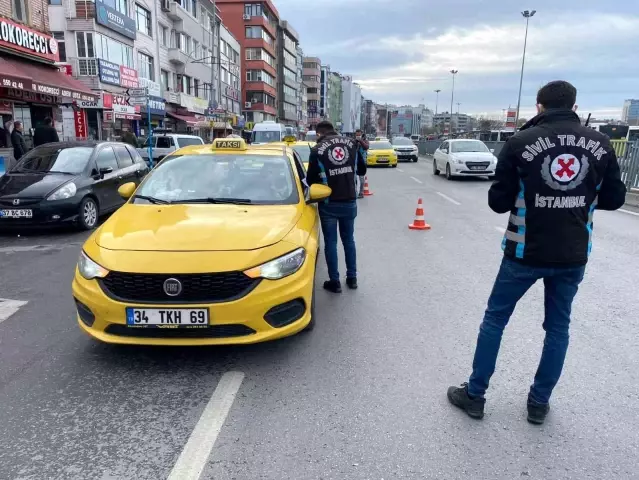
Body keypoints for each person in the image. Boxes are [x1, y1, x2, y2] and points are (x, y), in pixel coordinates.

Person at [447, 80, 627, 425]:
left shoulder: (520, 142)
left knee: (495, 320)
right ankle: (538, 403)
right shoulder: (601, 144)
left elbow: (498, 203)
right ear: (575, 107)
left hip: (522, 252)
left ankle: (475, 395)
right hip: (573, 253)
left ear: (539, 107)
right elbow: (614, 199)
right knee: (558, 328)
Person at [306, 120, 366, 293]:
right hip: (349, 201)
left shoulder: (317, 150)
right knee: (349, 240)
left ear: (319, 133)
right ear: (333, 130)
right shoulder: (352, 145)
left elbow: (310, 180)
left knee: (331, 242)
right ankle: (352, 278)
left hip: (328, 203)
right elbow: (362, 171)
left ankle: (335, 281)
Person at [354, 129, 369, 198]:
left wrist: (360, 141)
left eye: (359, 135)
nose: (358, 136)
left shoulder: (365, 140)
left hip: (362, 161)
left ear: (362, 134)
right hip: (355, 161)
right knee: (354, 178)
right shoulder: (353, 141)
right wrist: (356, 142)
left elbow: (366, 147)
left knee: (361, 178)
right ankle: (355, 192)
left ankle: (361, 192)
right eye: (357, 135)